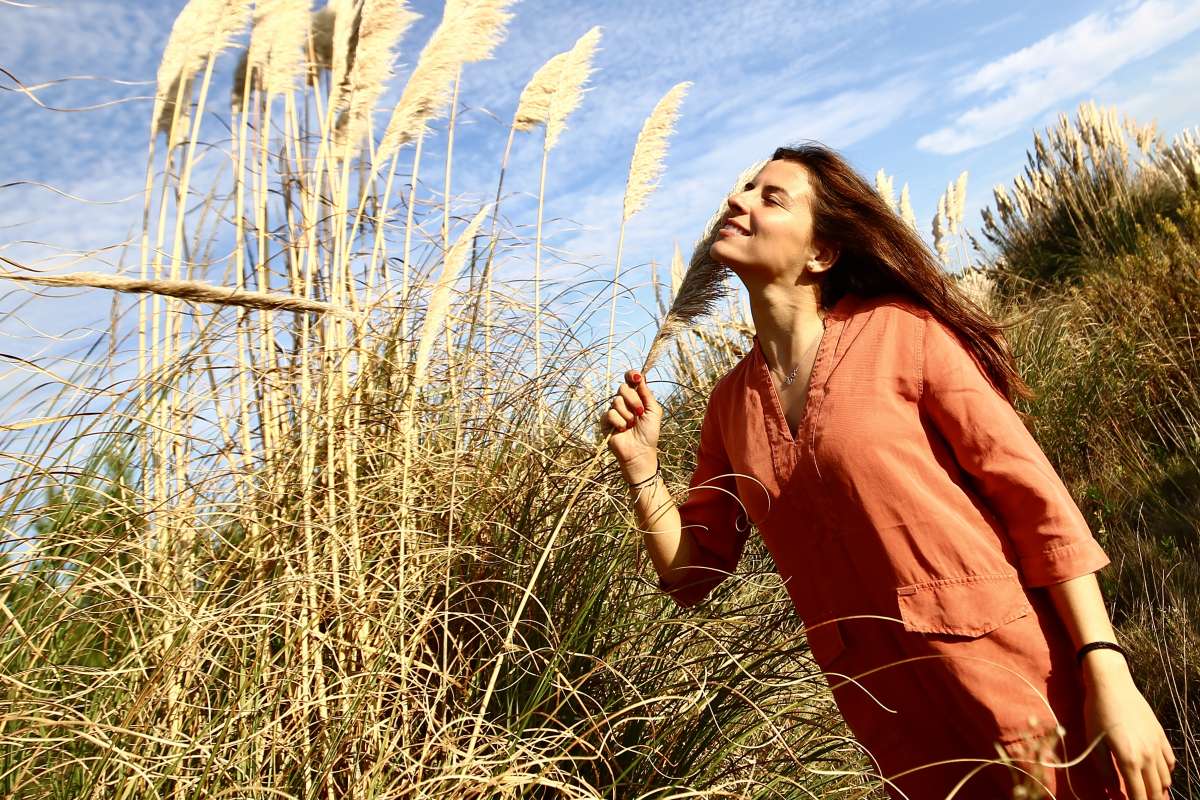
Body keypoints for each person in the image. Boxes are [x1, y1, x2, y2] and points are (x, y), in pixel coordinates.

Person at [601, 143, 1176, 799]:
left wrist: (1107, 669)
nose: (738, 200)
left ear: (822, 253)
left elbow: (1037, 505)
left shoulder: (906, 333)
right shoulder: (730, 405)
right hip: (893, 721)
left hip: (1020, 681)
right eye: (743, 189)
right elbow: (693, 572)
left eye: (770, 195)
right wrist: (642, 465)